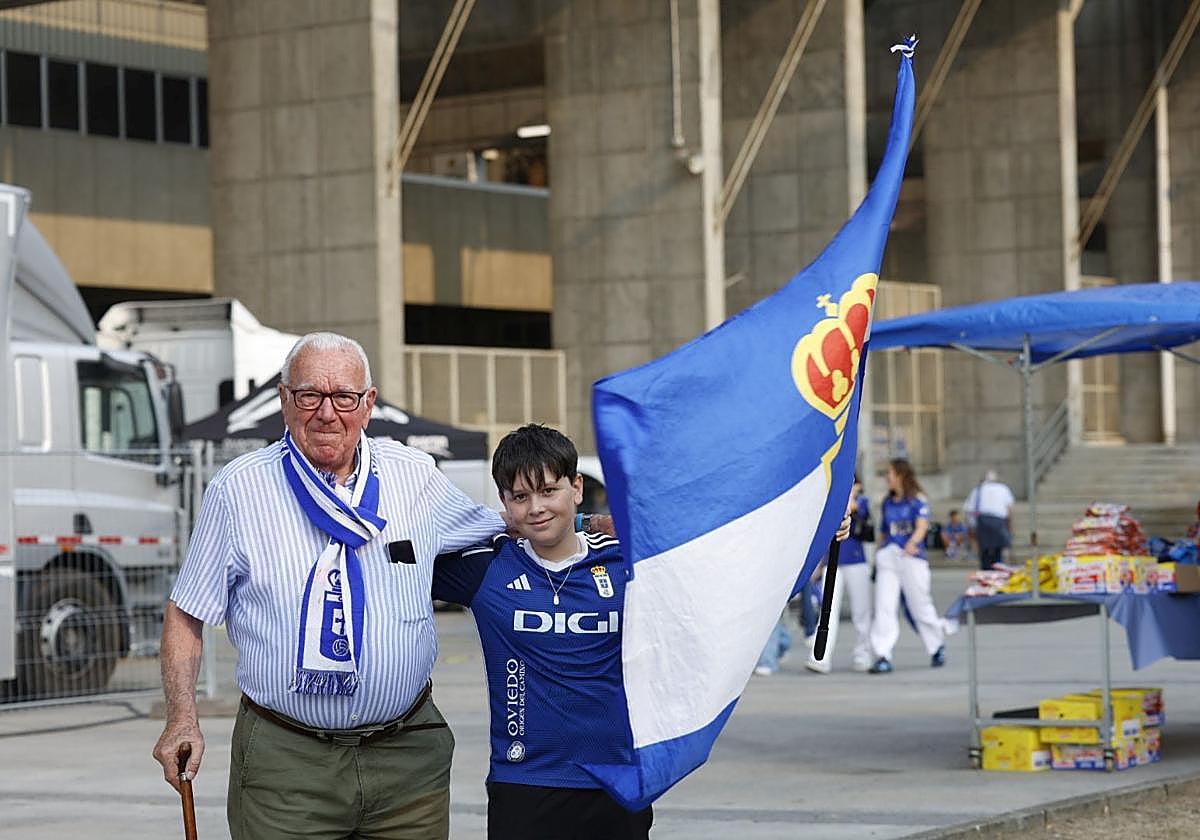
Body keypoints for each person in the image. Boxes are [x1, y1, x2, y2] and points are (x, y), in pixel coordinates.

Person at [152, 332, 506, 840]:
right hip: (287, 767)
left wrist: (591, 527)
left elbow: (502, 528)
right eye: (309, 395)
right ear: (284, 400)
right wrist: (181, 718)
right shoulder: (239, 489)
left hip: (407, 764)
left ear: (368, 405)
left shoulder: (415, 477)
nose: (326, 412)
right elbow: (186, 614)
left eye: (344, 397)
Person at [431, 424, 653, 839]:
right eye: (520, 497)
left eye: (549, 491)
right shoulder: (487, 568)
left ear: (577, 487)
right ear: (504, 502)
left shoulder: (626, 562)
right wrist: (493, 524)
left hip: (618, 782)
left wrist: (598, 522)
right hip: (524, 785)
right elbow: (402, 551)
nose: (536, 508)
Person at [868, 459, 946, 674]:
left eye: (890, 473)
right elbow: (884, 532)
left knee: (919, 604)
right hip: (889, 556)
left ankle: (936, 644)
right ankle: (882, 654)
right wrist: (877, 556)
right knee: (884, 605)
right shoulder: (888, 502)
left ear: (901, 475)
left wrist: (912, 543)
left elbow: (922, 526)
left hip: (910, 557)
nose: (887, 477)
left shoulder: (917, 500)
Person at [807, 476, 874, 673]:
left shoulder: (861, 501)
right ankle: (820, 656)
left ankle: (863, 653)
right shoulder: (831, 499)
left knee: (861, 611)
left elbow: (860, 516)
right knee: (828, 608)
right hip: (833, 560)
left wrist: (851, 498)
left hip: (855, 560)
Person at [963, 469, 1015, 570]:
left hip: (983, 521)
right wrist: (1010, 527)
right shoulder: (1003, 488)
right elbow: (1010, 510)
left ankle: (986, 570)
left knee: (984, 550)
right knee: (998, 550)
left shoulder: (978, 489)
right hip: (999, 521)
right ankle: (997, 569)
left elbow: (969, 509)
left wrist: (971, 527)